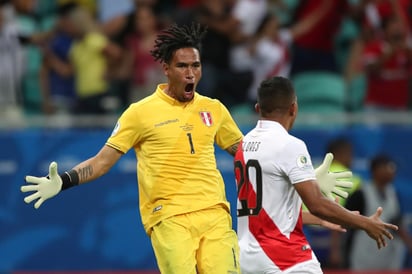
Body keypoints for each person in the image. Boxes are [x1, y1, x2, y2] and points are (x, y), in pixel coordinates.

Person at [21, 22, 243, 274]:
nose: (191, 73)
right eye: (182, 66)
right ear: (166, 69)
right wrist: (63, 181)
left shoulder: (213, 108)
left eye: (196, 65)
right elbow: (101, 162)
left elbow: (245, 153)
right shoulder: (140, 113)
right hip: (169, 218)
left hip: (215, 212)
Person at [234, 76, 399, 274]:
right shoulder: (290, 145)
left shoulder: (243, 146)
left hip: (247, 258)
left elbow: (268, 213)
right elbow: (317, 203)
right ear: (294, 108)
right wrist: (366, 224)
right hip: (284, 258)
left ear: (257, 108)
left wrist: (319, 219)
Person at [344, 154, 412, 270]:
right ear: (375, 170)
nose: (391, 172)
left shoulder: (393, 193)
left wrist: (409, 243)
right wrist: (336, 250)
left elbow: (397, 222)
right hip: (363, 251)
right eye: (387, 168)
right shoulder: (360, 194)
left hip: (389, 253)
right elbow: (343, 220)